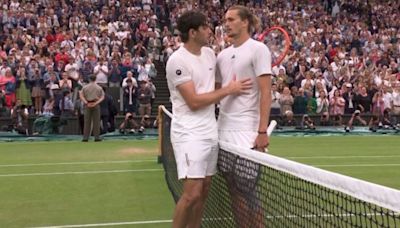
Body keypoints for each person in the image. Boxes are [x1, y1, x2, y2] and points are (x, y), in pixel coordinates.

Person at [166, 11, 251, 228]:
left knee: (203, 191)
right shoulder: (176, 61)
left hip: (209, 131)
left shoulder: (210, 54)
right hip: (188, 133)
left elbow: (211, 88)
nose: (209, 30)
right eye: (204, 27)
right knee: (191, 194)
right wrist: (228, 90)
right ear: (192, 33)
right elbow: (194, 101)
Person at [215, 5, 272, 228]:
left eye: (231, 19)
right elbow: (217, 90)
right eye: (225, 20)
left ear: (245, 22)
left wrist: (261, 131)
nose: (226, 23)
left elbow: (266, 92)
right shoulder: (222, 55)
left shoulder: (259, 50)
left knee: (248, 192)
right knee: (233, 191)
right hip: (223, 131)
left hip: (247, 133)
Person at [79, 75, 105, 142]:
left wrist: (86, 102)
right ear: (95, 79)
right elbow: (102, 97)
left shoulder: (85, 87)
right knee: (96, 122)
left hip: (88, 104)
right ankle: (97, 137)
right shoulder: (99, 87)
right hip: (95, 104)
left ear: (89, 79)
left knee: (87, 122)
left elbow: (81, 95)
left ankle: (85, 138)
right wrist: (96, 103)